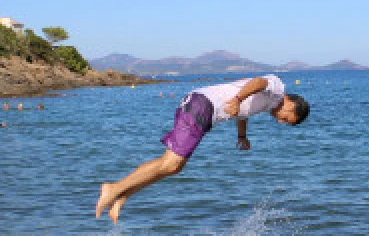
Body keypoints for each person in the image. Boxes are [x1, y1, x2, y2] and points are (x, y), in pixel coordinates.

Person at [95, 74, 309, 224]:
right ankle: (112, 189)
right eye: (288, 119)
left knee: (173, 167)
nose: (282, 122)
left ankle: (122, 195)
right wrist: (237, 99)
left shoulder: (267, 104)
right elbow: (259, 82)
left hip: (204, 111)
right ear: (291, 104)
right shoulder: (278, 89)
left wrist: (242, 136)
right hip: (202, 105)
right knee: (171, 163)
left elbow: (243, 113)